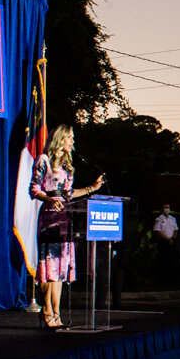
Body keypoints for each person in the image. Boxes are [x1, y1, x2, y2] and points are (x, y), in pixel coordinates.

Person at [30, 125, 104, 330]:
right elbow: (34, 189)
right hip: (49, 217)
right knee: (49, 267)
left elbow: (69, 194)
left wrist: (92, 188)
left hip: (65, 218)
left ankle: (57, 312)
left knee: (61, 269)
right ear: (60, 139)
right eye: (70, 138)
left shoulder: (67, 166)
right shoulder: (43, 161)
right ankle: (46, 311)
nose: (72, 141)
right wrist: (50, 199)